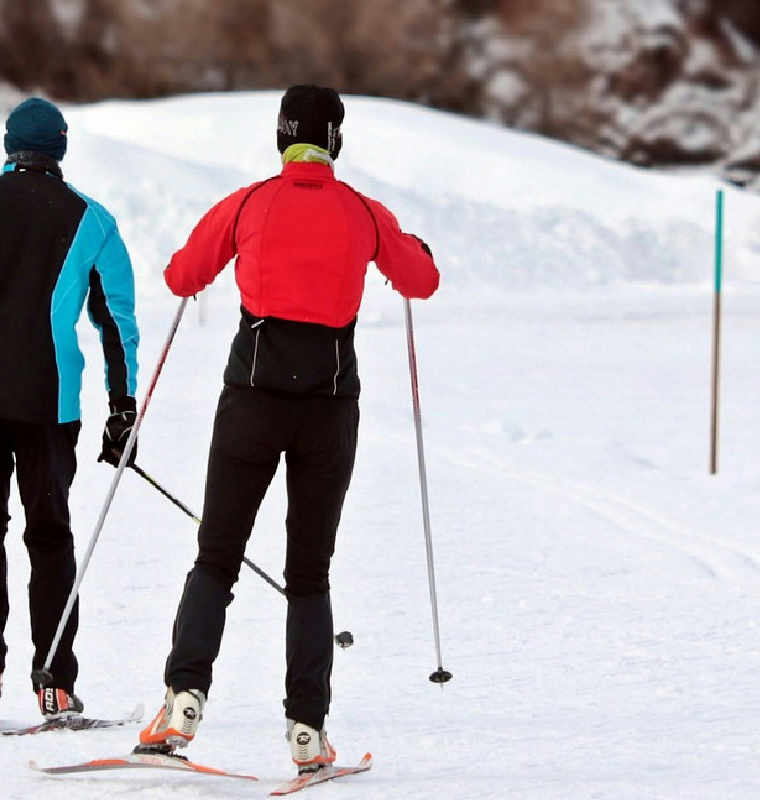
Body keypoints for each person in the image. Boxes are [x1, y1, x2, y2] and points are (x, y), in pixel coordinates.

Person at [137, 85, 440, 771]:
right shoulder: (363, 212)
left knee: (217, 555)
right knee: (309, 573)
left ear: (281, 137)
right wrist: (413, 247)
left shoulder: (249, 203)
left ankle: (183, 700)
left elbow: (182, 277)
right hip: (330, 411)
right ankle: (307, 730)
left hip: (251, 402)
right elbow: (420, 282)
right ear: (334, 140)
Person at [0, 97, 140, 726]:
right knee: (49, 536)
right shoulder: (92, 220)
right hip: (51, 402)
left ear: (10, 145)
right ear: (60, 148)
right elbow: (115, 323)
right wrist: (123, 408)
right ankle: (55, 683)